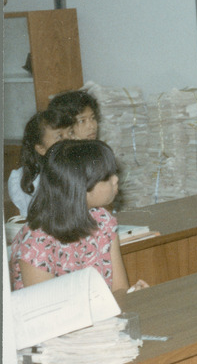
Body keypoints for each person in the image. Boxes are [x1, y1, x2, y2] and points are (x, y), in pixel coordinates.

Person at [8, 140, 148, 292]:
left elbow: (119, 289)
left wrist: (132, 294)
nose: (116, 179)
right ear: (81, 186)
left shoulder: (103, 220)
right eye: (107, 177)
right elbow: (46, 311)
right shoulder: (36, 243)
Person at [7, 109, 72, 217]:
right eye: (59, 136)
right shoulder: (25, 179)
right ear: (41, 148)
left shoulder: (77, 168)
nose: (69, 139)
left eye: (71, 132)